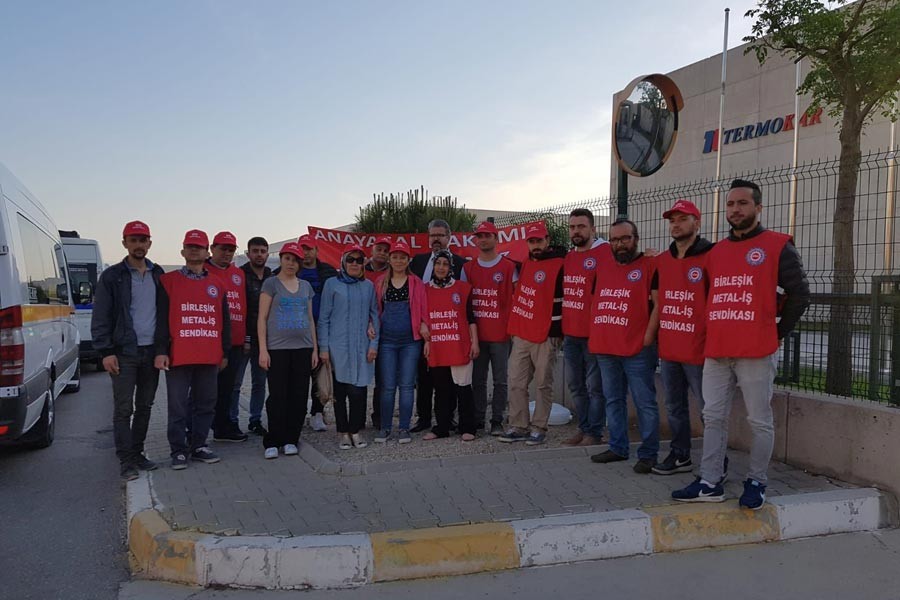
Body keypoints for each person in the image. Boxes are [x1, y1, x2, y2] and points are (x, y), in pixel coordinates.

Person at [673, 179, 809, 509]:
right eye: (731, 204)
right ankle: (709, 481)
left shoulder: (778, 246)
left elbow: (800, 294)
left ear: (758, 208)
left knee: (759, 420)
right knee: (713, 416)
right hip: (717, 351)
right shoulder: (717, 251)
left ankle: (757, 481)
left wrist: (776, 334)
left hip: (755, 352)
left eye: (742, 204)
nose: (735, 209)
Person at [92, 220, 165, 481]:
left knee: (145, 406)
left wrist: (162, 349)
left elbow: (164, 317)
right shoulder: (112, 276)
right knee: (124, 409)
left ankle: (138, 453)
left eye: (142, 240)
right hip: (123, 353)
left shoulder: (158, 274)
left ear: (149, 243)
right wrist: (105, 351)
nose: (138, 245)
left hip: (151, 353)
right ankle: (126, 461)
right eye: (133, 240)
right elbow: (101, 316)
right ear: (124, 243)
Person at [154, 229, 230, 470]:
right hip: (178, 355)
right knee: (177, 405)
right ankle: (178, 450)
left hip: (209, 355)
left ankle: (199, 445)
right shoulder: (168, 281)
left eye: (199, 246)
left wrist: (225, 352)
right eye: (190, 246)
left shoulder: (218, 284)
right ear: (183, 251)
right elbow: (161, 319)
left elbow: (224, 320)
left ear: (207, 252)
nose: (195, 250)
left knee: (206, 402)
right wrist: (160, 350)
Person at [589, 219, 660, 474]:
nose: (620, 244)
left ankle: (649, 453)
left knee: (644, 402)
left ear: (636, 239)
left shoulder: (651, 265)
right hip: (606, 347)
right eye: (615, 239)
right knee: (613, 400)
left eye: (625, 238)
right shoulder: (603, 267)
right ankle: (618, 447)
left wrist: (648, 338)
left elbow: (658, 305)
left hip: (638, 348)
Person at [650, 200, 715, 476]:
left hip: (699, 351)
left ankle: (715, 461)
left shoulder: (711, 256)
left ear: (697, 223)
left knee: (708, 411)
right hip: (670, 350)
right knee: (674, 407)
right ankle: (680, 456)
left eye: (683, 219)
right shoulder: (662, 261)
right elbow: (657, 302)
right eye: (672, 220)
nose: (676, 224)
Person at [499, 222, 565, 446]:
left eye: (539, 241)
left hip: (546, 334)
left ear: (547, 240)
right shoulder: (526, 263)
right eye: (532, 241)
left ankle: (539, 427)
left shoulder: (560, 264)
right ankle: (518, 425)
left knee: (542, 383)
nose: (536, 245)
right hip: (522, 333)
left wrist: (557, 333)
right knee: (516, 381)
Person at [258, 242, 318, 459]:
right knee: (278, 396)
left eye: (295, 260)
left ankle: (292, 439)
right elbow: (262, 318)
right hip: (278, 349)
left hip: (303, 348)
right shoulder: (271, 284)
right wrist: (263, 350)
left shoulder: (305, 286)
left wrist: (314, 348)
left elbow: (310, 318)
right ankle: (273, 440)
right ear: (282, 259)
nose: (291, 263)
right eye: (288, 259)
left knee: (299, 396)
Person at [318, 244, 379, 449]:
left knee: (358, 391)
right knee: (340, 392)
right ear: (343, 262)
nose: (355, 263)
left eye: (359, 260)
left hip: (361, 347)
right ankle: (343, 432)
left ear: (364, 264)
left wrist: (374, 344)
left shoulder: (368, 286)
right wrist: (324, 348)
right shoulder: (331, 284)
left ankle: (355, 430)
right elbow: (324, 318)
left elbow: (374, 316)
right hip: (338, 347)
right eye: (351, 259)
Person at [409, 219, 466, 433]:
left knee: (447, 380)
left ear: (449, 237)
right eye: (432, 235)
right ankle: (423, 418)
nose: (436, 239)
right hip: (424, 330)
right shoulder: (418, 261)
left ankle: (447, 417)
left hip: (449, 331)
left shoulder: (461, 263)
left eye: (440, 235)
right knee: (423, 377)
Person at [463, 221, 517, 435]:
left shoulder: (509, 267)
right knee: (478, 380)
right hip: (476, 335)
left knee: (501, 381)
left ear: (496, 239)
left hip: (501, 334)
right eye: (480, 236)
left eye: (488, 235)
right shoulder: (468, 268)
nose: (483, 239)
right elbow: (464, 304)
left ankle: (497, 420)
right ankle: (477, 420)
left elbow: (516, 298)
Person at [373, 241, 429, 444]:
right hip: (386, 341)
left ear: (408, 260)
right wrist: (372, 326)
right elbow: (375, 310)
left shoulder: (416, 283)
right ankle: (386, 428)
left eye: (402, 257)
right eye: (395, 257)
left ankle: (404, 427)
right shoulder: (380, 282)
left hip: (410, 342)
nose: (398, 260)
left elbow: (424, 310)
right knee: (387, 386)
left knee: (406, 385)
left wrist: (424, 326)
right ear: (389, 259)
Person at [561, 208, 607, 447]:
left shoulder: (605, 252)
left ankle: (595, 433)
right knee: (575, 386)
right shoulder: (569, 257)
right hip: (571, 335)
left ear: (592, 228)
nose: (576, 231)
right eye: (572, 227)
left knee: (595, 388)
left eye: (581, 226)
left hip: (595, 335)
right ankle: (585, 427)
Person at [423, 251, 479, 441]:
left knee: (463, 388)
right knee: (441, 389)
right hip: (438, 346)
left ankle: (467, 427)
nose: (440, 267)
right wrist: (426, 340)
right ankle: (442, 427)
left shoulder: (462, 288)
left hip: (459, 344)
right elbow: (422, 318)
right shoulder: (425, 289)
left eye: (445, 264)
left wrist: (475, 343)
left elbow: (471, 318)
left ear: (451, 267)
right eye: (437, 263)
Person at [207, 231, 249, 443]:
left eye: (231, 249)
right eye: (223, 248)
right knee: (204, 389)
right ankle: (195, 431)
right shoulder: (202, 270)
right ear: (212, 248)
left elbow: (244, 306)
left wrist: (246, 339)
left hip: (235, 342)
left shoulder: (238, 274)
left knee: (228, 388)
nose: (227, 253)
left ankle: (223, 427)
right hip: (209, 342)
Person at [297, 234, 338, 432]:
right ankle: (297, 414)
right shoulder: (287, 271)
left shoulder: (329, 272)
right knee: (299, 375)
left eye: (309, 249)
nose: (306, 253)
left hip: (322, 329)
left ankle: (317, 413)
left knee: (320, 374)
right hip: (297, 331)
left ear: (316, 250)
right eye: (303, 249)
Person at [232, 236, 272, 436]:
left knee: (259, 383)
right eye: (255, 251)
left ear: (267, 253)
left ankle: (255, 420)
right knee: (236, 383)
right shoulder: (238, 276)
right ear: (248, 253)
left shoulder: (272, 277)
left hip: (263, 340)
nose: (259, 254)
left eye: (263, 251)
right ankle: (231, 421)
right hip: (242, 338)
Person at [364, 236, 391, 430]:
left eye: (385, 250)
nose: (382, 252)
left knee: (382, 379)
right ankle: (356, 417)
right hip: (360, 329)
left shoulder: (393, 273)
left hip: (384, 330)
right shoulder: (359, 270)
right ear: (372, 250)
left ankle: (379, 416)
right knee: (359, 377)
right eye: (379, 249)